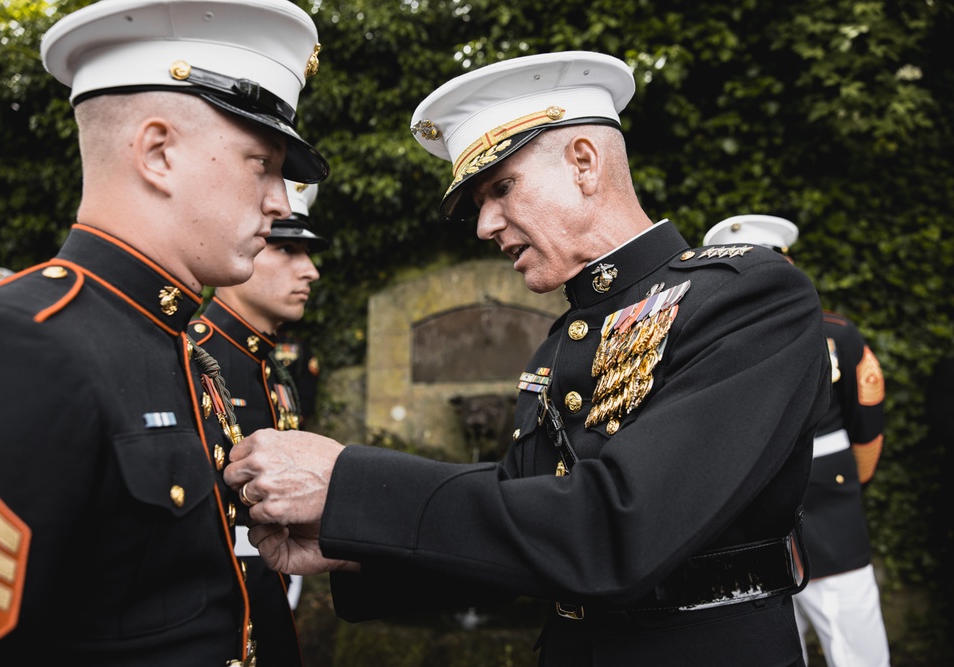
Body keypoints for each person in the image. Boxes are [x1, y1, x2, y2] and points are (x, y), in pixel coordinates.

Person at [224, 51, 832, 665]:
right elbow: (530, 524)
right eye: (478, 204)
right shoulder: (564, 339)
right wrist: (358, 542)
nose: (486, 224)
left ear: (584, 164)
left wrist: (352, 486)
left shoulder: (750, 297)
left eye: (502, 188)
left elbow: (620, 530)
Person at [0, 0, 327, 664]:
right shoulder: (19, 343)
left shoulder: (179, 339)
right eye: (260, 163)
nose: (278, 199)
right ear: (157, 153)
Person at [705, 215, 890, 667]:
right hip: (771, 518)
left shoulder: (708, 344)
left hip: (803, 512)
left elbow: (865, 422)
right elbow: (865, 423)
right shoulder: (833, 333)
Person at [189, 179, 328, 659]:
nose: (309, 270)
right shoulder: (191, 356)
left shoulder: (273, 366)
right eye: (287, 249)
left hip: (270, 590)